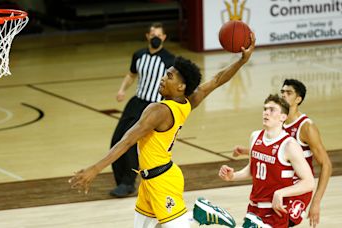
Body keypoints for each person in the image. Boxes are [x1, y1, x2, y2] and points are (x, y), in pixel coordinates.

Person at [69, 34, 255, 227]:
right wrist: (242, 60)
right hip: (149, 181)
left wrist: (95, 169)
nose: (163, 78)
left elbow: (127, 141)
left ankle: (200, 214)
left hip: (163, 181)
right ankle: (196, 214)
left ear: (181, 86)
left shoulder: (158, 110)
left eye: (169, 76)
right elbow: (216, 80)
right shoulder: (187, 102)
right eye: (166, 74)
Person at [233, 79, 332, 227]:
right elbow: (277, 154)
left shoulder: (306, 127)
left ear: (298, 99)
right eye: (282, 92)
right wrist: (248, 151)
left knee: (279, 221)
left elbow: (326, 165)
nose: (284, 95)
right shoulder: (277, 122)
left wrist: (316, 202)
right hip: (279, 184)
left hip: (298, 187)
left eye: (289, 93)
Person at [215, 94, 315, 227]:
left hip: (274, 211)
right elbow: (252, 170)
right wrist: (233, 176)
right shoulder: (255, 136)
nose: (266, 112)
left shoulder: (289, 145)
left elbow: (309, 183)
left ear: (283, 117)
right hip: (253, 209)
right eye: (265, 109)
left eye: (272, 110)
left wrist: (281, 193)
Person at [110, 22, 176, 197]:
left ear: (164, 38)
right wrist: (122, 89)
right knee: (117, 139)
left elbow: (175, 84)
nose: (155, 37)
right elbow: (131, 74)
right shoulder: (138, 55)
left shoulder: (169, 60)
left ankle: (128, 182)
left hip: (153, 107)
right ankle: (121, 181)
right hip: (136, 102)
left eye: (159, 35)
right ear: (147, 36)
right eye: (153, 34)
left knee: (132, 145)